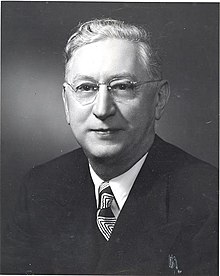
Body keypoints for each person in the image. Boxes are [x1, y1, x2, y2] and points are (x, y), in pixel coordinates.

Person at [2, 18, 218, 275]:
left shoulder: (209, 197)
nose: (103, 109)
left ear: (159, 99)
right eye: (86, 87)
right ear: (66, 102)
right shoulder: (40, 188)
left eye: (122, 86)